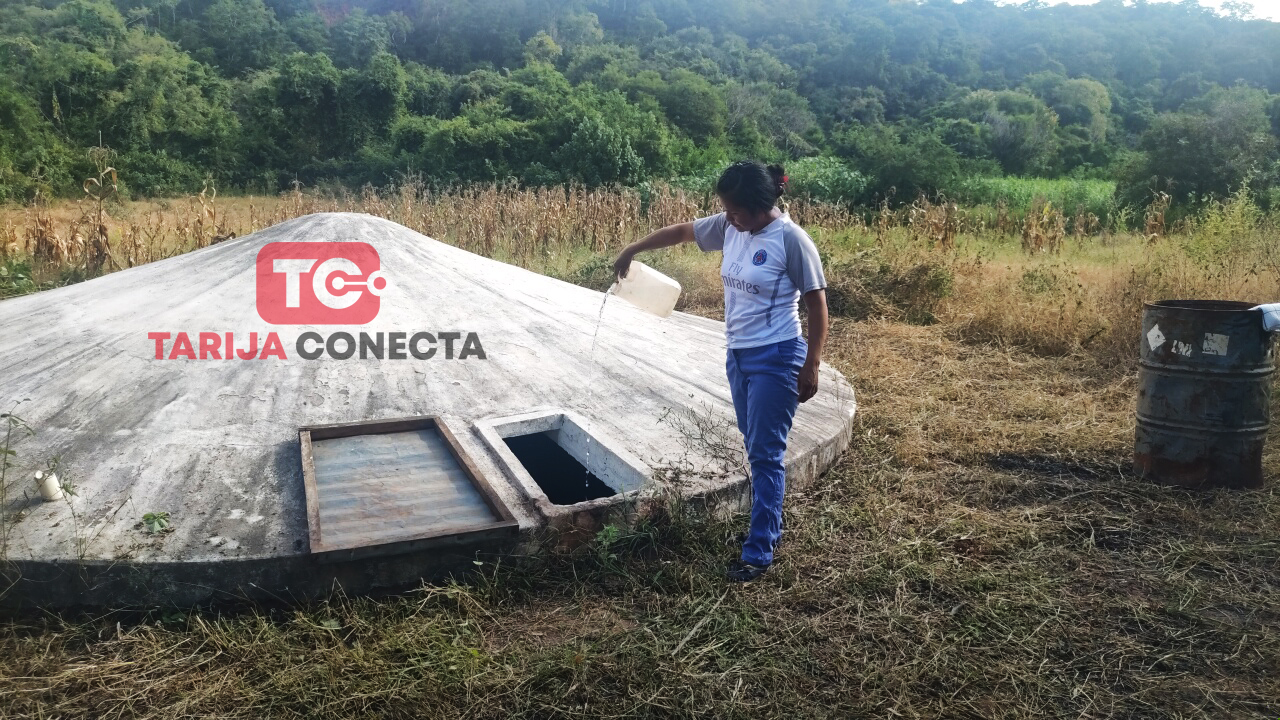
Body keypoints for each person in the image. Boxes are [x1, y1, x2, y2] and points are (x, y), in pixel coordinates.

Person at [612, 160, 829, 582]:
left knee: (766, 455)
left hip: (778, 355)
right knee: (756, 448)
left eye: (734, 211)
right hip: (739, 355)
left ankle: (759, 552)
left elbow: (817, 304)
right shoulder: (733, 226)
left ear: (759, 205)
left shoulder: (791, 239)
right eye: (725, 210)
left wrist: (811, 363)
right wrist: (633, 249)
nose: (727, 218)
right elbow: (681, 231)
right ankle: (768, 527)